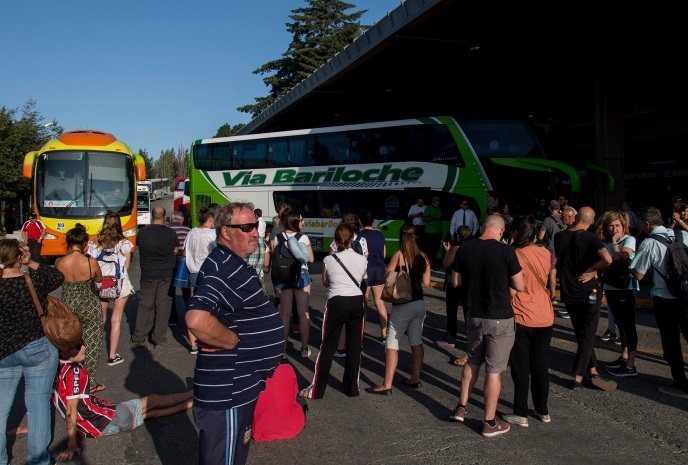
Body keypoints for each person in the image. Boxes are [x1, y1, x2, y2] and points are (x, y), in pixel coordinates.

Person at [185, 202, 284, 465]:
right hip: (228, 390)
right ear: (226, 231)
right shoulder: (221, 268)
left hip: (240, 385)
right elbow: (195, 318)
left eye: (255, 226)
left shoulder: (232, 263)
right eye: (247, 227)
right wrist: (231, 340)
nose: (256, 233)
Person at [53, 341, 193, 462]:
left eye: (82, 343)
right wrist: (71, 444)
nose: (84, 347)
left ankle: (193, 402)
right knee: (153, 400)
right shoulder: (74, 371)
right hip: (106, 417)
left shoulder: (56, 369)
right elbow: (71, 409)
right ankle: (193, 393)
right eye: (78, 347)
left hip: (95, 429)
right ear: (64, 353)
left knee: (150, 413)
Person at [448, 215, 523, 437]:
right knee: (494, 370)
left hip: (474, 315)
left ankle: (461, 406)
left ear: (482, 228)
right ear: (501, 232)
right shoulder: (506, 251)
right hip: (499, 316)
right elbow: (520, 284)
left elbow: (455, 282)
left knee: (472, 359)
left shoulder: (465, 248)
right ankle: (489, 421)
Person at [0, 238, 64, 465]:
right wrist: (32, 262)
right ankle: (38, 460)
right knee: (37, 406)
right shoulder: (31, 281)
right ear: (20, 256)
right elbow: (58, 276)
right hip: (35, 347)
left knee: (1, 409)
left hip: (3, 351)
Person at [299, 223, 367, 399]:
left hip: (336, 301)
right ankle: (352, 388)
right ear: (353, 238)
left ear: (335, 240)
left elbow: (326, 283)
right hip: (356, 301)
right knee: (354, 346)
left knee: (328, 346)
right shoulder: (362, 259)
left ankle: (317, 390)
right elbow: (361, 280)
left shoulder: (329, 260)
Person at [554, 206, 616, 391]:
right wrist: (593, 270)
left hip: (569, 291)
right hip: (588, 291)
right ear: (592, 220)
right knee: (588, 335)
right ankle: (578, 377)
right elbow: (608, 259)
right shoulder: (591, 238)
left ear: (576, 218)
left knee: (581, 333)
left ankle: (594, 370)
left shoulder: (560, 237)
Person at [629, 206, 688, 398]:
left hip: (665, 298)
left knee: (671, 343)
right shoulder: (679, 235)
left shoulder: (649, 243)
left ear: (646, 223)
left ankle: (680, 383)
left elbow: (637, 273)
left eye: (639, 223)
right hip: (685, 295)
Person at [366, 223, 431, 395]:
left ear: (402, 237)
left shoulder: (399, 255)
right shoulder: (423, 256)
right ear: (416, 237)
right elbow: (426, 283)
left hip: (403, 304)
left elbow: (387, 277)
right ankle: (415, 378)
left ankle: (387, 384)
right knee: (416, 341)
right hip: (419, 303)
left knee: (392, 342)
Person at [503, 215, 554, 428]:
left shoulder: (514, 255)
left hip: (522, 314)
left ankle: (520, 411)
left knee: (520, 366)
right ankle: (542, 409)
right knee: (541, 364)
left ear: (515, 233)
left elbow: (513, 290)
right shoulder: (544, 252)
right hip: (545, 313)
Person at [55, 225, 104, 394]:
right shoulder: (90, 261)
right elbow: (99, 279)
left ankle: (67, 379)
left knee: (68, 343)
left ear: (68, 243)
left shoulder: (60, 262)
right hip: (88, 304)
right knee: (92, 342)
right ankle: (89, 383)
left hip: (68, 305)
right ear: (84, 243)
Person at [596, 210, 640, 377]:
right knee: (621, 325)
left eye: (617, 226)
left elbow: (622, 256)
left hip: (626, 287)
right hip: (611, 287)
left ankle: (630, 365)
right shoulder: (606, 241)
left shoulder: (628, 239)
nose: (614, 229)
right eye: (610, 226)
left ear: (623, 226)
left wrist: (614, 243)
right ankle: (624, 356)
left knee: (629, 325)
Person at [88, 211, 134, 366]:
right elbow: (126, 266)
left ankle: (91, 349)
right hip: (120, 284)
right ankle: (112, 356)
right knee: (116, 319)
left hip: (101, 283)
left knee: (101, 318)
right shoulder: (124, 243)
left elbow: (92, 263)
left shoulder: (95, 243)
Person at [131, 206, 179, 349]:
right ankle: (159, 338)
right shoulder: (171, 233)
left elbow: (139, 245)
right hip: (166, 273)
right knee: (163, 305)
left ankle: (139, 337)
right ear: (165, 217)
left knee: (145, 304)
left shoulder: (143, 232)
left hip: (148, 272)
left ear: (152, 216)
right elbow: (175, 249)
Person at [273, 211, 315, 357]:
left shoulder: (277, 237)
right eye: (301, 220)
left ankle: (282, 350)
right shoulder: (303, 237)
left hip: (283, 275)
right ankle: (304, 348)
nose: (303, 222)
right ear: (296, 222)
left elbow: (275, 257)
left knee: (284, 314)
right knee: (303, 313)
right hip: (301, 274)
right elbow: (310, 259)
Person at [437, 225, 473, 367]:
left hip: (454, 283)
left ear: (458, 236)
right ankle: (470, 340)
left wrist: (447, 251)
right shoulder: (473, 248)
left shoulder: (455, 248)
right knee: (468, 313)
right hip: (469, 284)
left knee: (451, 310)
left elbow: (446, 263)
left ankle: (451, 338)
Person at [183, 207, 217, 354]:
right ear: (210, 218)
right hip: (209, 273)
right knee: (211, 308)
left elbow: (185, 252)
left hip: (193, 272)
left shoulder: (192, 232)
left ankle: (193, 344)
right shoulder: (213, 234)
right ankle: (209, 340)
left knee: (193, 306)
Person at [358, 209, 388, 342]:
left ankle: (361, 334)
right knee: (380, 302)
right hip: (379, 269)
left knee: (364, 302)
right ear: (373, 221)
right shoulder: (380, 235)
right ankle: (384, 333)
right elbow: (384, 253)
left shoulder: (360, 236)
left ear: (360, 221)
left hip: (366, 270)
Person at [537, 200, 565, 303]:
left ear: (549, 208)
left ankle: (553, 296)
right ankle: (564, 295)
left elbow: (540, 236)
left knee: (552, 273)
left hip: (552, 250)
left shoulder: (547, 220)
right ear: (559, 209)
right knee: (563, 273)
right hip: (563, 250)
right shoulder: (564, 218)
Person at [168, 210, 191, 327]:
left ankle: (173, 318)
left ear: (172, 219)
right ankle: (189, 317)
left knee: (170, 291)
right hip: (184, 262)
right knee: (186, 291)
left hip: (169, 262)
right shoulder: (188, 230)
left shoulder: (166, 230)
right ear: (181, 220)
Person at [422, 196, 443, 263]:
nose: (438, 204)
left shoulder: (439, 209)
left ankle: (432, 262)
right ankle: (427, 263)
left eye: (438, 202)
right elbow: (424, 219)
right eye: (436, 202)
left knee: (436, 248)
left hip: (438, 232)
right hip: (429, 232)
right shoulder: (428, 209)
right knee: (428, 249)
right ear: (433, 202)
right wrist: (434, 217)